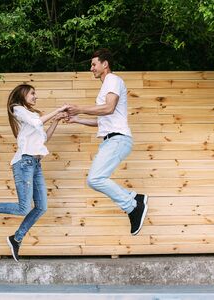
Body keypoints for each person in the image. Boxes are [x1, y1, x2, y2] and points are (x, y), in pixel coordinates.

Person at [0, 84, 68, 262]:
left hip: (36, 164)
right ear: (23, 95)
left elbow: (44, 138)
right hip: (25, 163)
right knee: (24, 208)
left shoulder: (32, 115)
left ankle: (16, 238)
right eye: (32, 94)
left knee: (41, 207)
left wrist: (56, 120)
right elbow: (38, 123)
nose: (35, 97)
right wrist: (58, 109)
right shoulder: (17, 109)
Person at [66, 48, 148, 236]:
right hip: (111, 139)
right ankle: (136, 199)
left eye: (94, 64)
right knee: (94, 179)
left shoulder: (113, 80)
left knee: (95, 179)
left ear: (105, 64)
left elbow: (109, 108)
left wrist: (79, 109)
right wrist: (77, 119)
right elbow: (102, 120)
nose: (91, 68)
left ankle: (133, 205)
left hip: (118, 139)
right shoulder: (106, 86)